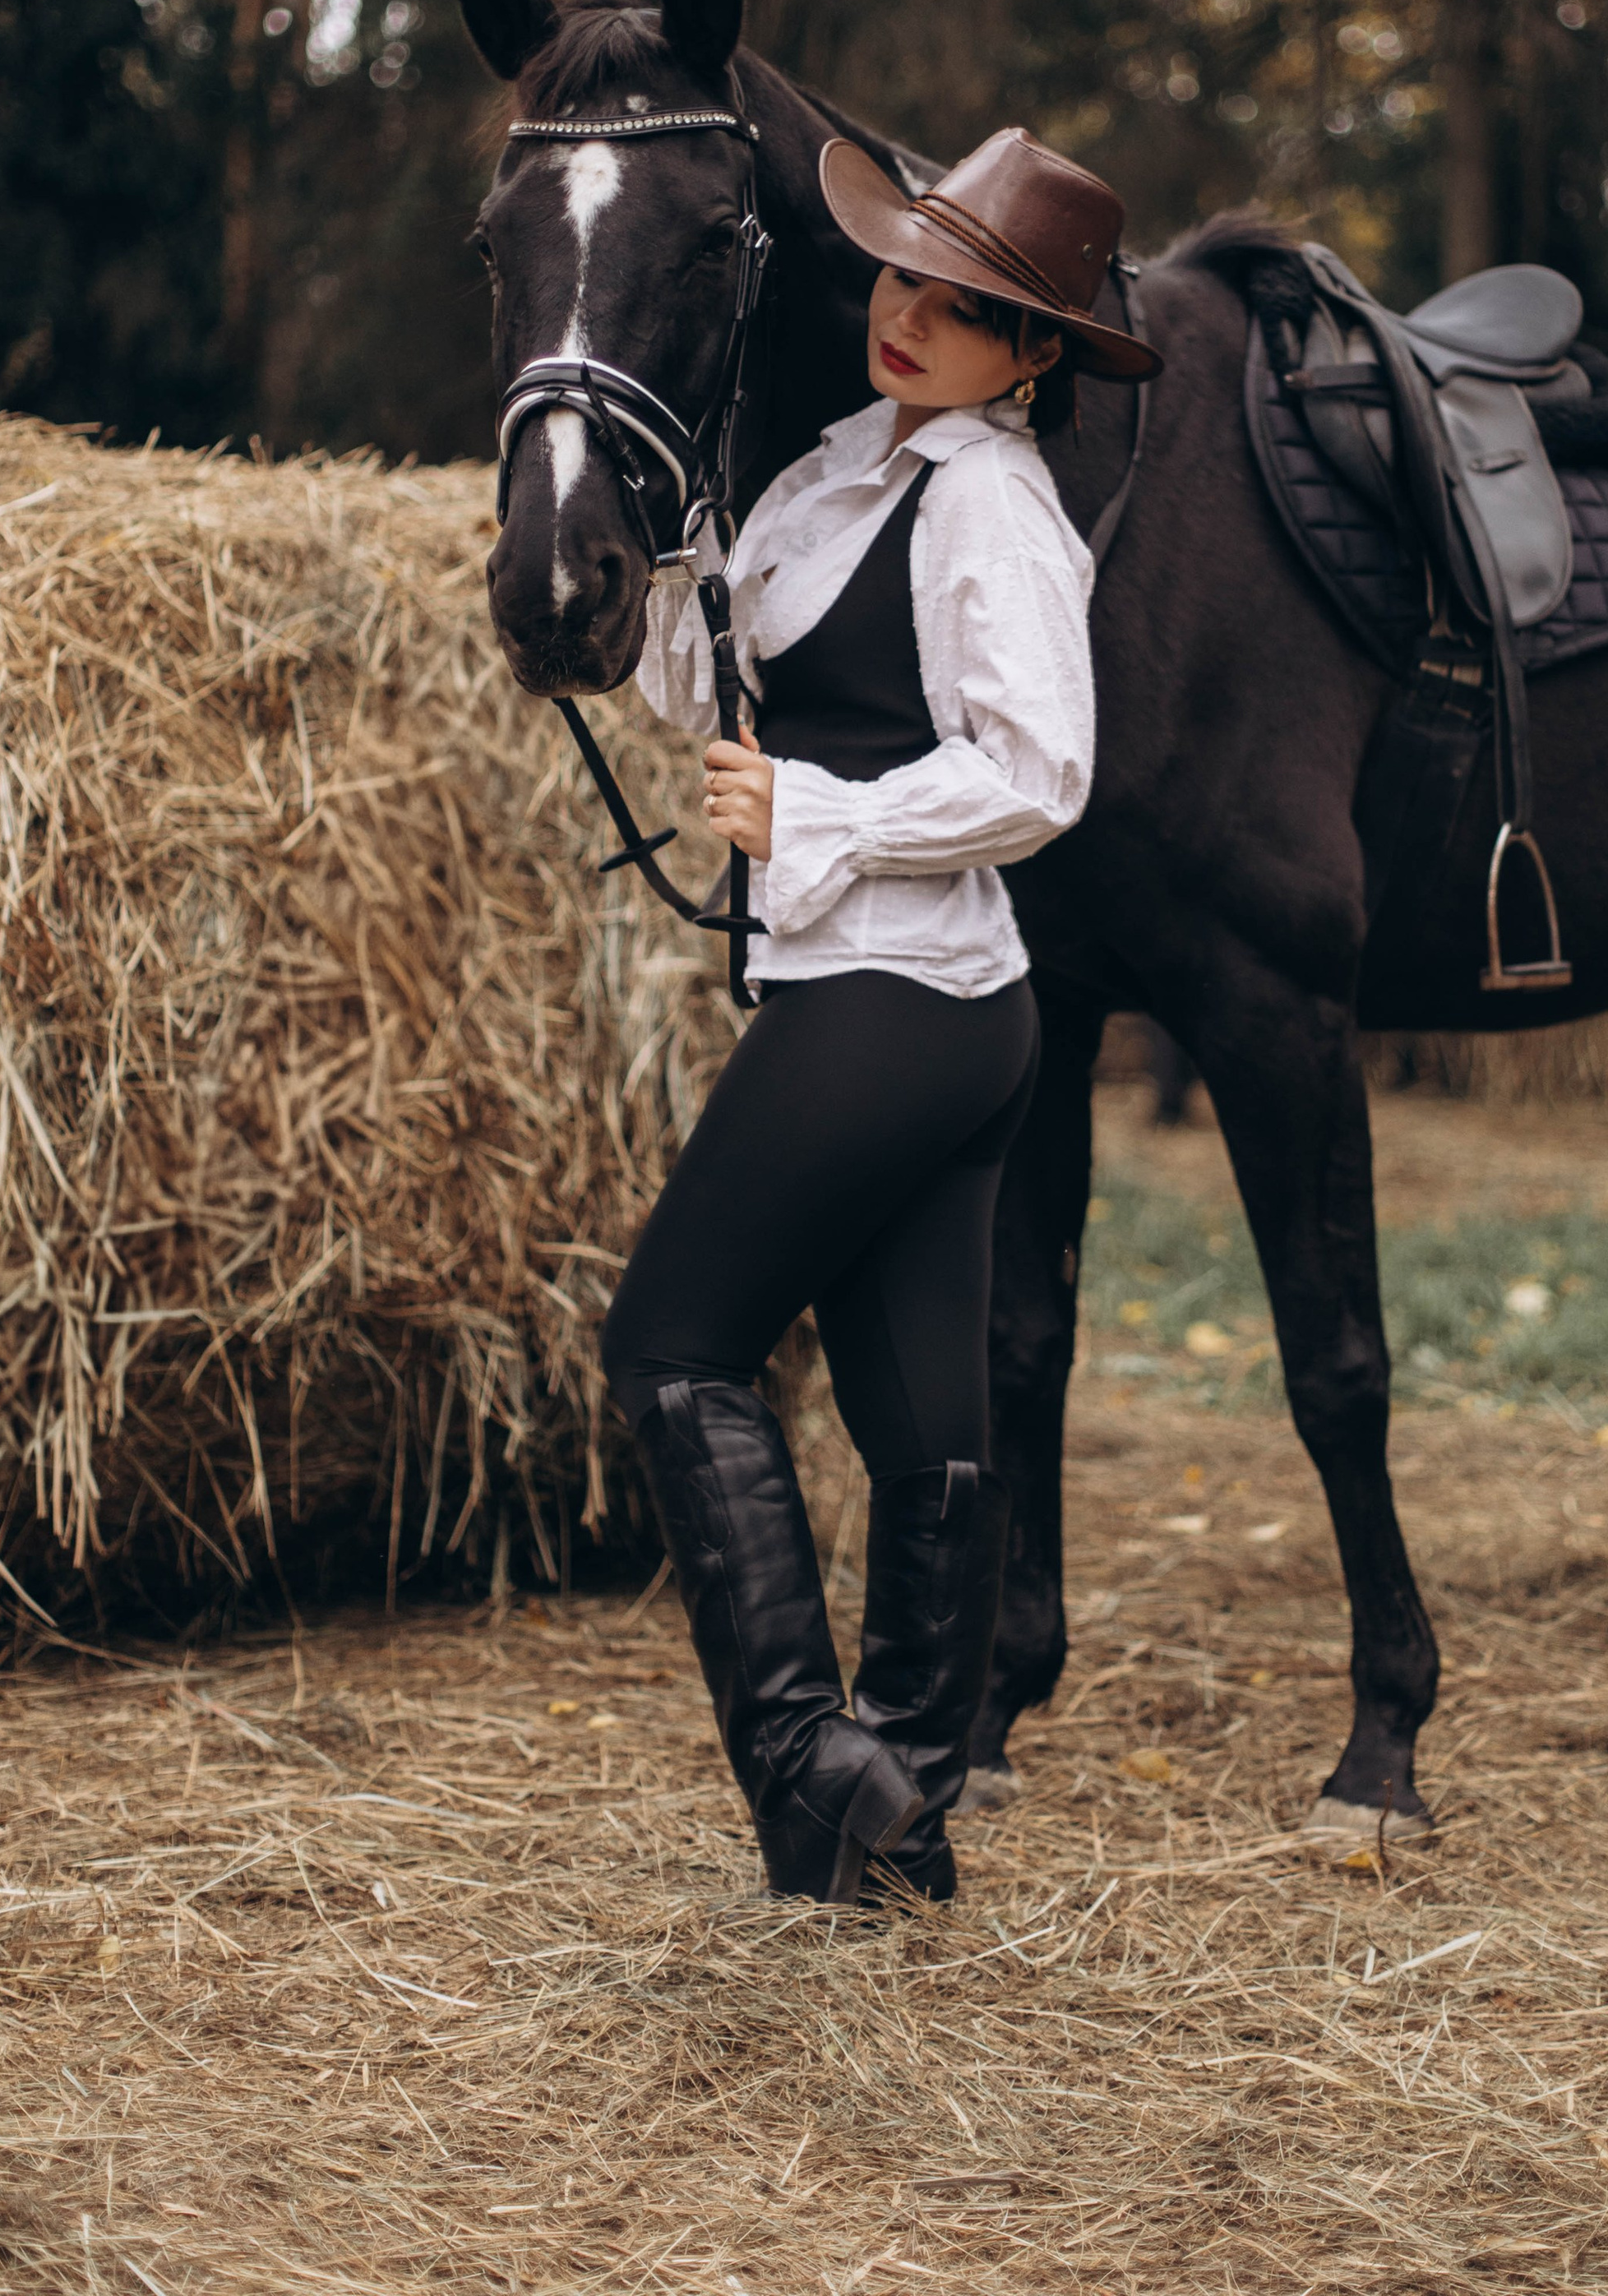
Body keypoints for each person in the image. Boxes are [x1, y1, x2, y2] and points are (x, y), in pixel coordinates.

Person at [600, 127, 1161, 1906]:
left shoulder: (990, 504)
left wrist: (822, 821)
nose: (910, 315)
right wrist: (667, 568)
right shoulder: (833, 469)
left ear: (1035, 355)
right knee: (925, 1431)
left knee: (675, 1347)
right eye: (903, 276)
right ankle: (899, 1818)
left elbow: (1039, 770)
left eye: (965, 304)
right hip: (931, 1009)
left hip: (898, 998)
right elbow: (717, 696)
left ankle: (801, 1766)